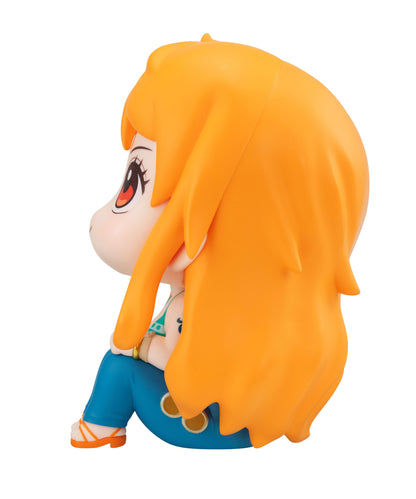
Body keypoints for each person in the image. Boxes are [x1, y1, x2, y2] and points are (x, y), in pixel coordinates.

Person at [71, 34, 369, 449]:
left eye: (134, 183)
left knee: (119, 367)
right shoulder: (263, 310)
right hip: (247, 419)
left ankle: (100, 426)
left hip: (197, 418)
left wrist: (141, 348)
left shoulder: (201, 311)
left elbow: (182, 364)